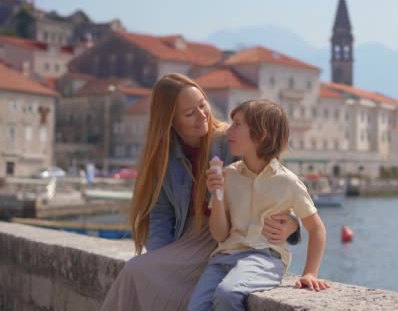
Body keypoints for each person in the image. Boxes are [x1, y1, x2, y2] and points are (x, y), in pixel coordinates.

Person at [101, 74, 300, 311]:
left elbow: (275, 182)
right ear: (170, 121)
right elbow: (160, 214)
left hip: (230, 238)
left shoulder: (232, 140)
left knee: (136, 272)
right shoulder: (162, 157)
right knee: (137, 270)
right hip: (187, 242)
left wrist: (293, 224)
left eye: (203, 104)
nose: (202, 115)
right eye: (189, 113)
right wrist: (164, 260)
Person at [188, 99, 330, 311]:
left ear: (261, 134)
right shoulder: (228, 175)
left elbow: (316, 228)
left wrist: (310, 273)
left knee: (228, 293)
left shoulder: (288, 182)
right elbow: (219, 235)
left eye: (237, 124)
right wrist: (217, 194)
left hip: (264, 258)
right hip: (223, 258)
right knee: (195, 308)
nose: (229, 131)